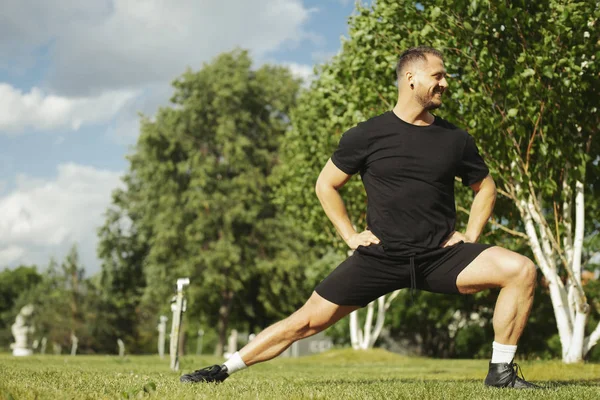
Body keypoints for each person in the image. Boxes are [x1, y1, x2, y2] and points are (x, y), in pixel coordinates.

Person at [180, 46, 540, 389]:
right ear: (411, 78)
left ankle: (501, 372)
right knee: (305, 321)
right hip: (381, 257)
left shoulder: (455, 139)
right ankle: (223, 370)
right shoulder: (366, 135)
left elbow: (486, 188)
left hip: (440, 255)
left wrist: (472, 236)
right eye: (438, 75)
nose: (445, 83)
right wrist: (350, 235)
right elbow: (326, 185)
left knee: (521, 270)